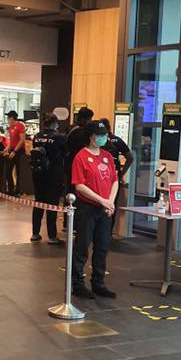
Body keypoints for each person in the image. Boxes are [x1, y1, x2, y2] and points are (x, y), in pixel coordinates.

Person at [71, 120, 119, 299]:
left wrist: (110, 202)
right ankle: (77, 284)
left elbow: (115, 179)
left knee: (102, 247)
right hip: (87, 208)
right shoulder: (81, 156)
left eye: (105, 135)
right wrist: (102, 200)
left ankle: (98, 282)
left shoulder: (107, 156)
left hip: (105, 208)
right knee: (82, 246)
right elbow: (79, 185)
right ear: (91, 136)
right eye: (100, 135)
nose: (103, 138)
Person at [29, 113, 68, 244]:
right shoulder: (59, 137)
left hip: (38, 174)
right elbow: (66, 153)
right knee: (52, 205)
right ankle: (52, 236)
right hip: (53, 175)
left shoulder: (37, 136)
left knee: (38, 203)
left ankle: (35, 233)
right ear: (55, 123)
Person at [99, 118, 135, 231]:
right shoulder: (117, 140)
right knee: (111, 203)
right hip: (114, 177)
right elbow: (130, 157)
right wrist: (121, 173)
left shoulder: (97, 141)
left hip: (100, 177)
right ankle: (108, 232)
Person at [64, 107, 94, 228]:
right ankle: (75, 223)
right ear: (86, 119)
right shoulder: (81, 132)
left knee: (69, 192)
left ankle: (67, 222)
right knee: (77, 194)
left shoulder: (70, 128)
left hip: (68, 164)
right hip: (77, 165)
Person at [2, 110, 26, 196]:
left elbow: (22, 140)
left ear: (12, 118)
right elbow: (11, 141)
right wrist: (7, 148)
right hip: (12, 149)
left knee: (19, 172)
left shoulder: (20, 125)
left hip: (19, 151)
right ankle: (11, 189)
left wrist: (15, 151)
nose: (7, 120)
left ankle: (18, 191)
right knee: (8, 171)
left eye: (8, 118)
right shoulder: (10, 127)